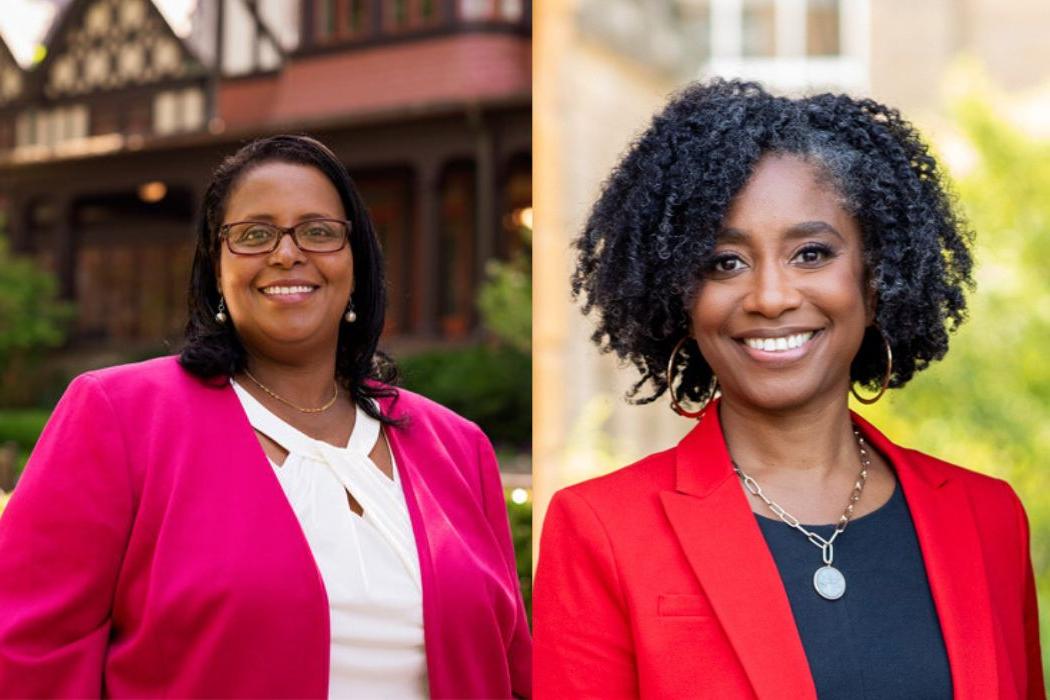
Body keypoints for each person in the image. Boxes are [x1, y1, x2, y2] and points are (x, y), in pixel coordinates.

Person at [533, 80, 1043, 698]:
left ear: (875, 277)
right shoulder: (601, 528)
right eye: (725, 262)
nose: (771, 297)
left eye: (810, 253)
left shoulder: (988, 518)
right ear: (679, 296)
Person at [0, 135, 531, 698]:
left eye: (319, 231)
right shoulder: (121, 416)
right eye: (254, 234)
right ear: (216, 268)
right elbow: (26, 655)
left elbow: (515, 669)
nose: (287, 253)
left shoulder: (456, 445)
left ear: (357, 263)